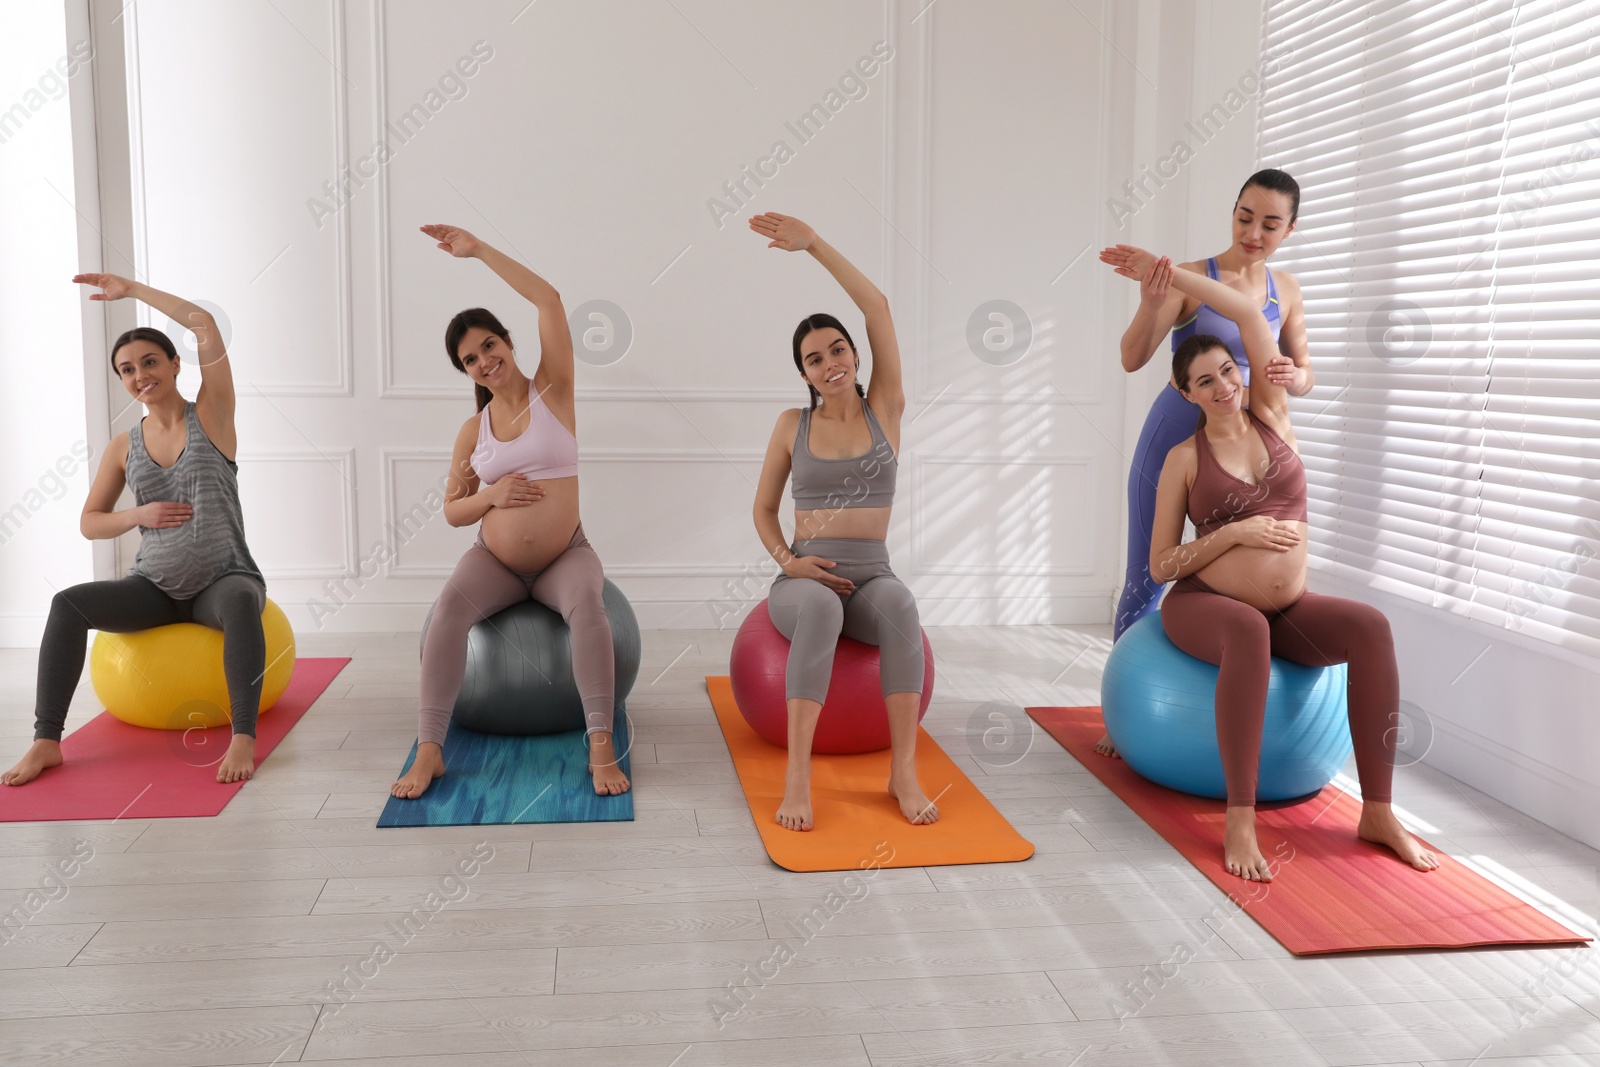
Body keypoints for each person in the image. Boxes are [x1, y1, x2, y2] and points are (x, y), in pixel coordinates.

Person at [1099, 244, 1439, 881]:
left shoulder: (1273, 417)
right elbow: (1164, 564)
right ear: (1185, 391)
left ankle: (1380, 809)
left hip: (1289, 607)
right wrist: (1234, 535)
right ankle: (1240, 816)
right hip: (1204, 606)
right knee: (1248, 631)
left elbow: (1256, 321)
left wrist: (1179, 277)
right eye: (1206, 380)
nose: (1224, 386)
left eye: (1229, 371)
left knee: (1370, 627)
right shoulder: (1184, 458)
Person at [2, 275, 268, 786]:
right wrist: (136, 517)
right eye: (127, 369)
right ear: (122, 381)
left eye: (150, 361)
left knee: (238, 602)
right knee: (67, 604)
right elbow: (89, 522)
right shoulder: (123, 446)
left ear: (173, 364)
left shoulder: (212, 414)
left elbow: (203, 323)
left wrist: (133, 292)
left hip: (224, 578)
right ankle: (46, 742)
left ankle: (243, 735)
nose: (140, 374)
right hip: (154, 587)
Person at [391, 224, 626, 800]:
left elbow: (549, 299)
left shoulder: (555, 390)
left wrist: (479, 252)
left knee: (589, 609)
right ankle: (429, 750)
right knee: (447, 610)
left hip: (564, 555)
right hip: (494, 562)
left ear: (507, 342)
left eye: (489, 346)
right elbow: (451, 512)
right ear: (466, 371)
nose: (483, 361)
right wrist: (491, 496)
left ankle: (599, 744)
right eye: (470, 360)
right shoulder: (474, 431)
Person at [748, 211, 935, 832]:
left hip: (871, 575)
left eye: (837, 349)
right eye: (814, 359)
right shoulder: (791, 426)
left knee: (903, 606)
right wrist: (788, 562)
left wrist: (815, 246)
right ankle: (798, 777)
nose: (830, 363)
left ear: (853, 354)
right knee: (823, 610)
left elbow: (877, 307)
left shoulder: (886, 407)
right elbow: (762, 510)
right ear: (802, 373)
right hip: (805, 579)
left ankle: (902, 772)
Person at [1109, 169, 1313, 643]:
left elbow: (1305, 374)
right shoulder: (1191, 278)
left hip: (1243, 441)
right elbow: (1131, 358)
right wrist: (1151, 301)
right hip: (1175, 429)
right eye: (1244, 218)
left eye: (1269, 224)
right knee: (1146, 572)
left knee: (1236, 559)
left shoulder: (1288, 291)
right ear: (1233, 213)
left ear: (1290, 229)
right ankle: (1118, 700)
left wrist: (1295, 377)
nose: (1253, 234)